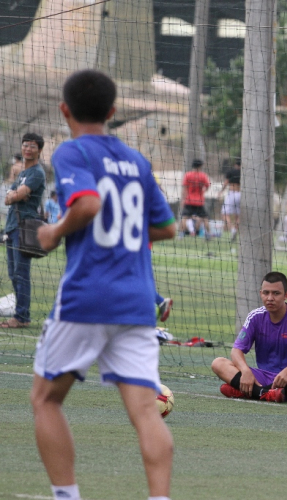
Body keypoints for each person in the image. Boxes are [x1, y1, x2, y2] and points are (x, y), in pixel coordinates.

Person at [33, 69, 177, 500]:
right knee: (146, 412)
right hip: (136, 304)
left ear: (64, 110)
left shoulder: (72, 152)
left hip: (87, 297)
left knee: (46, 399)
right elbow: (167, 228)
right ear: (113, 112)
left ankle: (67, 495)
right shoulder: (137, 161)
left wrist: (55, 233)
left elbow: (90, 203)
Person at [211, 272, 287, 403]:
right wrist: (245, 371)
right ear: (260, 293)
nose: (270, 298)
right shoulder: (255, 316)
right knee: (218, 363)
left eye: (276, 293)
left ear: (286, 295)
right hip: (262, 378)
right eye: (266, 293)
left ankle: (251, 392)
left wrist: (286, 372)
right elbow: (236, 350)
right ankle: (266, 393)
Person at [3, 132, 46, 329]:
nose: (28, 149)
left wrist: (16, 195)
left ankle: (22, 317)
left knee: (21, 273)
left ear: (39, 150)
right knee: (13, 273)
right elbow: (8, 198)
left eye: (32, 146)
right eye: (25, 145)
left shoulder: (37, 172)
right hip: (12, 227)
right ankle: (21, 315)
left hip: (25, 227)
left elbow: (16, 196)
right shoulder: (22, 174)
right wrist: (15, 195)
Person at [179, 158, 211, 239]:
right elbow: (207, 186)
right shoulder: (203, 175)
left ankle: (181, 234)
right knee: (205, 218)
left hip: (189, 200)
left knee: (184, 217)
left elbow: (184, 189)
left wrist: (183, 199)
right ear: (200, 166)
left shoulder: (187, 175)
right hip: (199, 201)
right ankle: (208, 234)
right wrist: (202, 192)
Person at [220, 159, 241, 242]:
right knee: (238, 215)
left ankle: (232, 230)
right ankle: (235, 230)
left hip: (232, 193)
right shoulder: (245, 173)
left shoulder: (231, 171)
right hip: (240, 194)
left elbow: (225, 183)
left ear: (235, 164)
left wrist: (220, 192)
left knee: (225, 214)